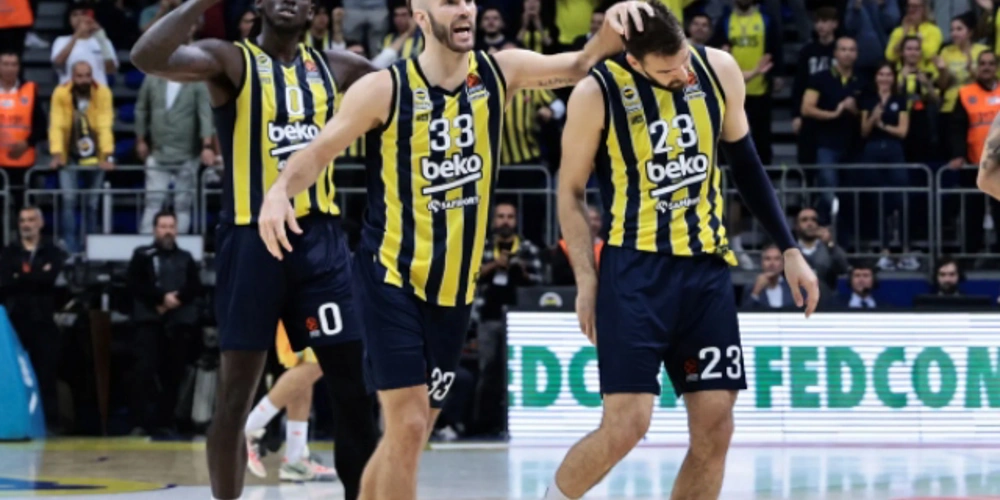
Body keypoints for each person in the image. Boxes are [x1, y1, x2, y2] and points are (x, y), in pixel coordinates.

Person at [255, 2, 654, 499]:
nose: (464, 9)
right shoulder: (384, 88)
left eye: (468, 0)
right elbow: (319, 150)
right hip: (390, 277)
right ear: (420, 17)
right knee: (407, 424)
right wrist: (279, 191)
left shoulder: (499, 71)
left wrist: (614, 22)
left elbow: (579, 64)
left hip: (454, 291)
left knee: (411, 434)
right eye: (449, 2)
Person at [548, 3, 819, 499]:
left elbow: (747, 164)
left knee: (716, 427)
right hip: (635, 273)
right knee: (627, 424)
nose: (683, 74)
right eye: (669, 71)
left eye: (684, 61)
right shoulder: (596, 92)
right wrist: (586, 280)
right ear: (635, 62)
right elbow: (569, 192)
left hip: (705, 273)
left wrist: (790, 248)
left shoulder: (717, 69)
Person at [130, 0, 382, 497]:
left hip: (320, 242)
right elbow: (146, 56)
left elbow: (409, 99)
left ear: (314, 9)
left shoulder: (339, 67)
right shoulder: (230, 59)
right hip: (251, 242)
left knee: (353, 389)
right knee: (235, 397)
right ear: (260, 4)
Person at [125, 211, 201, 436]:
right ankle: (140, 422)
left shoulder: (186, 257)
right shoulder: (142, 255)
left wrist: (175, 300)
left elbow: (194, 286)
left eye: (171, 226)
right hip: (149, 321)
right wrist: (159, 298)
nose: (167, 231)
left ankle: (165, 422)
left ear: (176, 229)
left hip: (178, 323)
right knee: (144, 371)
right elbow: (134, 284)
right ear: (155, 229)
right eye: (163, 226)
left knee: (173, 374)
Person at [244, 321, 337, 482]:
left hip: (304, 311)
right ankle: (249, 427)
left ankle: (294, 459)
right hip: (305, 310)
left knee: (305, 368)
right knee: (317, 361)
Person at [0, 206, 65, 431]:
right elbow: (5, 282)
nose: (26, 225)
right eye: (22, 221)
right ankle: (17, 421)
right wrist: (37, 275)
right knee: (14, 375)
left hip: (43, 321)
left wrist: (21, 276)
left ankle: (50, 423)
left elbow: (50, 279)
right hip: (15, 322)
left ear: (40, 223)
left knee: (46, 373)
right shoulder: (9, 252)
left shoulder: (52, 251)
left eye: (30, 220)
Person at [49, 61, 115, 254]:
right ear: (72, 77)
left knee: (92, 204)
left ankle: (90, 247)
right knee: (69, 200)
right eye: (80, 76)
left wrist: (107, 156)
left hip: (96, 158)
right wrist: (57, 154)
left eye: (87, 75)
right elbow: (57, 125)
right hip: (69, 157)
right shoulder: (61, 93)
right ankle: (70, 248)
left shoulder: (102, 92)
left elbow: (104, 125)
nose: (84, 80)